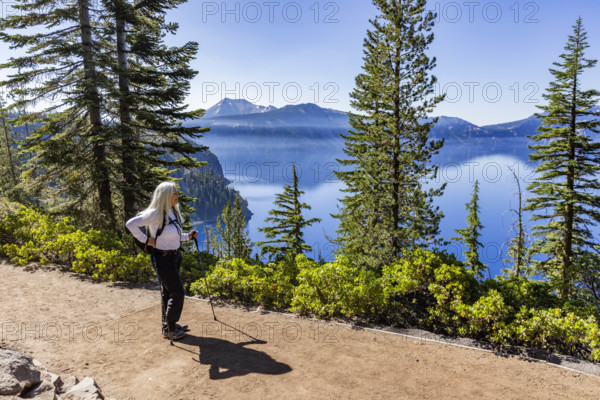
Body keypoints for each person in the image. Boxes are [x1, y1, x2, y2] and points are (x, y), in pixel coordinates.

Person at [126, 181, 198, 341]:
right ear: (166, 196)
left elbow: (175, 235)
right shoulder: (155, 214)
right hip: (162, 258)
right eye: (175, 193)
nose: (178, 195)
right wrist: (146, 240)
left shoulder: (172, 212)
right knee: (178, 291)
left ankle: (169, 326)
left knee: (168, 292)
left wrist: (189, 237)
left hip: (175, 256)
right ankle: (170, 328)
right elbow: (130, 224)